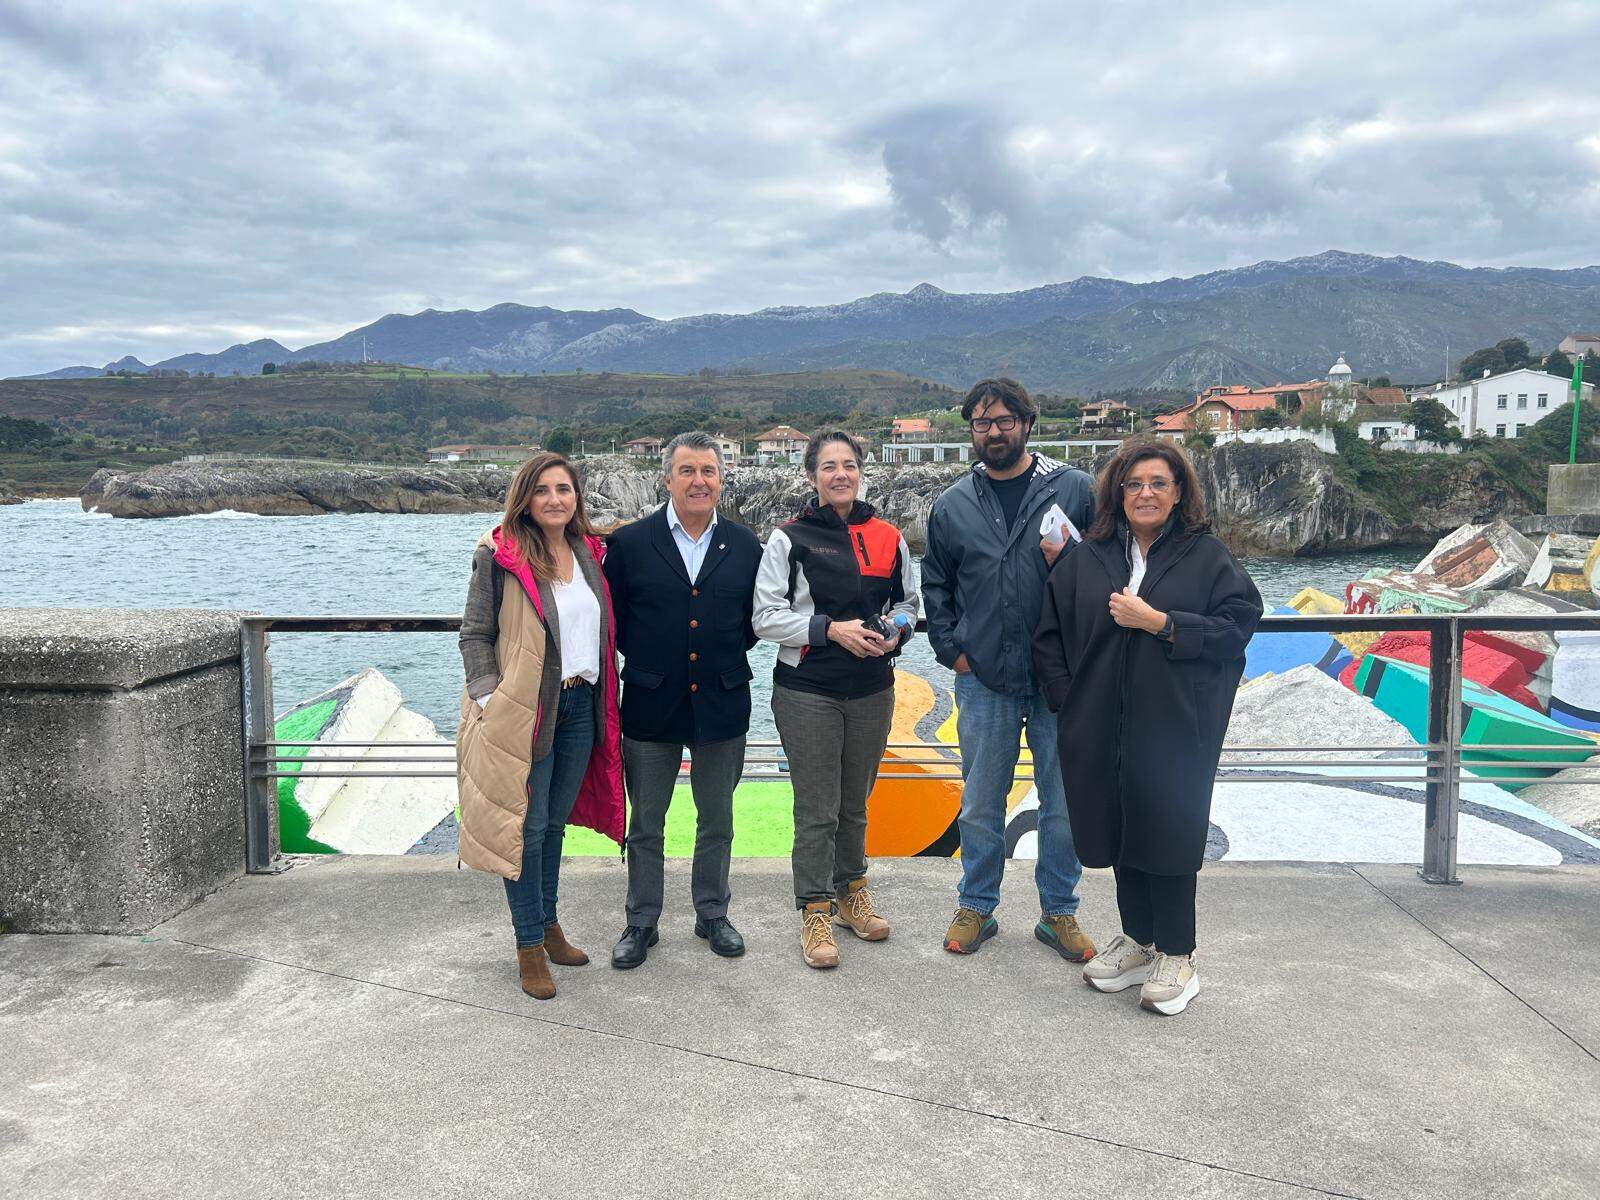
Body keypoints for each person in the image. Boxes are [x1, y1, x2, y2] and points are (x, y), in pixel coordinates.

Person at [1032, 438, 1262, 1016]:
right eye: (1134, 484)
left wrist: (1161, 623)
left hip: (1175, 724)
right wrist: (1071, 700)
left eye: (1158, 483)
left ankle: (1179, 953)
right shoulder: (1090, 557)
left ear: (1179, 491)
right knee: (1119, 828)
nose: (1146, 494)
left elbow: (1237, 626)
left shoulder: (1206, 556)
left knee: (1171, 831)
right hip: (1100, 725)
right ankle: (1138, 940)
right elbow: (1049, 634)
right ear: (1117, 492)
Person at [921, 377, 1097, 961]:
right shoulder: (952, 505)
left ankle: (1059, 913)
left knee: (1065, 801)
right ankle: (976, 904)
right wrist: (953, 652)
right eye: (981, 423)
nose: (993, 432)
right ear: (970, 429)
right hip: (984, 679)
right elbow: (936, 586)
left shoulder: (1074, 489)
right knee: (980, 800)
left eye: (1003, 420)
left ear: (1027, 422)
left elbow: (1109, 566)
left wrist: (1069, 559)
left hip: (1060, 678)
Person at [456, 452, 624, 1001]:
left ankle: (549, 924)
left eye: (564, 489)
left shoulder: (588, 552)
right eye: (543, 490)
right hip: (526, 711)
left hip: (582, 706)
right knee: (524, 829)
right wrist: (490, 697)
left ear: (576, 496)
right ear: (525, 497)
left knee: (552, 825)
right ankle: (528, 943)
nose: (555, 499)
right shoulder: (500, 555)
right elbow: (474, 634)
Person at [753, 429, 919, 969]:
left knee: (855, 804)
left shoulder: (890, 536)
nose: (840, 474)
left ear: (861, 470)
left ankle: (851, 891)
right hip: (808, 691)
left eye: (848, 464)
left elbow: (910, 602)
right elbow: (766, 617)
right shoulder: (789, 538)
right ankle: (814, 907)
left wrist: (896, 628)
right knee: (818, 807)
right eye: (828, 466)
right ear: (811, 475)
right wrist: (831, 630)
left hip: (872, 688)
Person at [602, 431, 763, 969]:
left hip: (722, 701)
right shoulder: (629, 543)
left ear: (722, 479)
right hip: (650, 703)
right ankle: (641, 920)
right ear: (667, 478)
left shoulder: (746, 545)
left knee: (716, 818)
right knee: (646, 821)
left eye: (708, 472)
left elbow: (752, 625)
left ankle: (711, 912)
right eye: (688, 471)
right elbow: (614, 622)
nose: (699, 481)